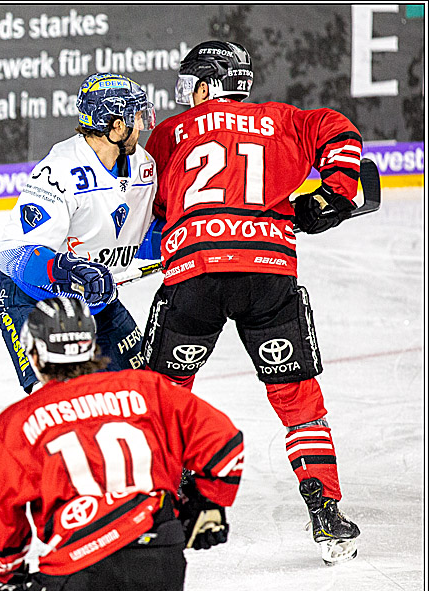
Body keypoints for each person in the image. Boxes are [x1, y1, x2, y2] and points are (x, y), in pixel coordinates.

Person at [142, 40, 362, 564]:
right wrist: (332, 193)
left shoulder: (171, 134)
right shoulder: (283, 119)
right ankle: (326, 511)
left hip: (195, 272)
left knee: (167, 391)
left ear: (205, 84)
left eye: (190, 83)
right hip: (268, 273)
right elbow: (340, 131)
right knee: (297, 397)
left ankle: (158, 507)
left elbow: (150, 207)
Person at [0, 296, 244, 591]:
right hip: (160, 568)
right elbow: (225, 446)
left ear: (32, 351)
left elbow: (3, 510)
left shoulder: (21, 420)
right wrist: (207, 505)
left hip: (81, 574)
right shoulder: (148, 389)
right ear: (92, 344)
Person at [0, 72, 162, 395]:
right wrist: (67, 269)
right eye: (135, 117)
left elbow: (143, 239)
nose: (140, 125)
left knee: (145, 395)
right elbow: (13, 254)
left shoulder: (144, 166)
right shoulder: (59, 171)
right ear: (115, 126)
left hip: (99, 304)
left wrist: (187, 241)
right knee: (64, 405)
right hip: (36, 302)